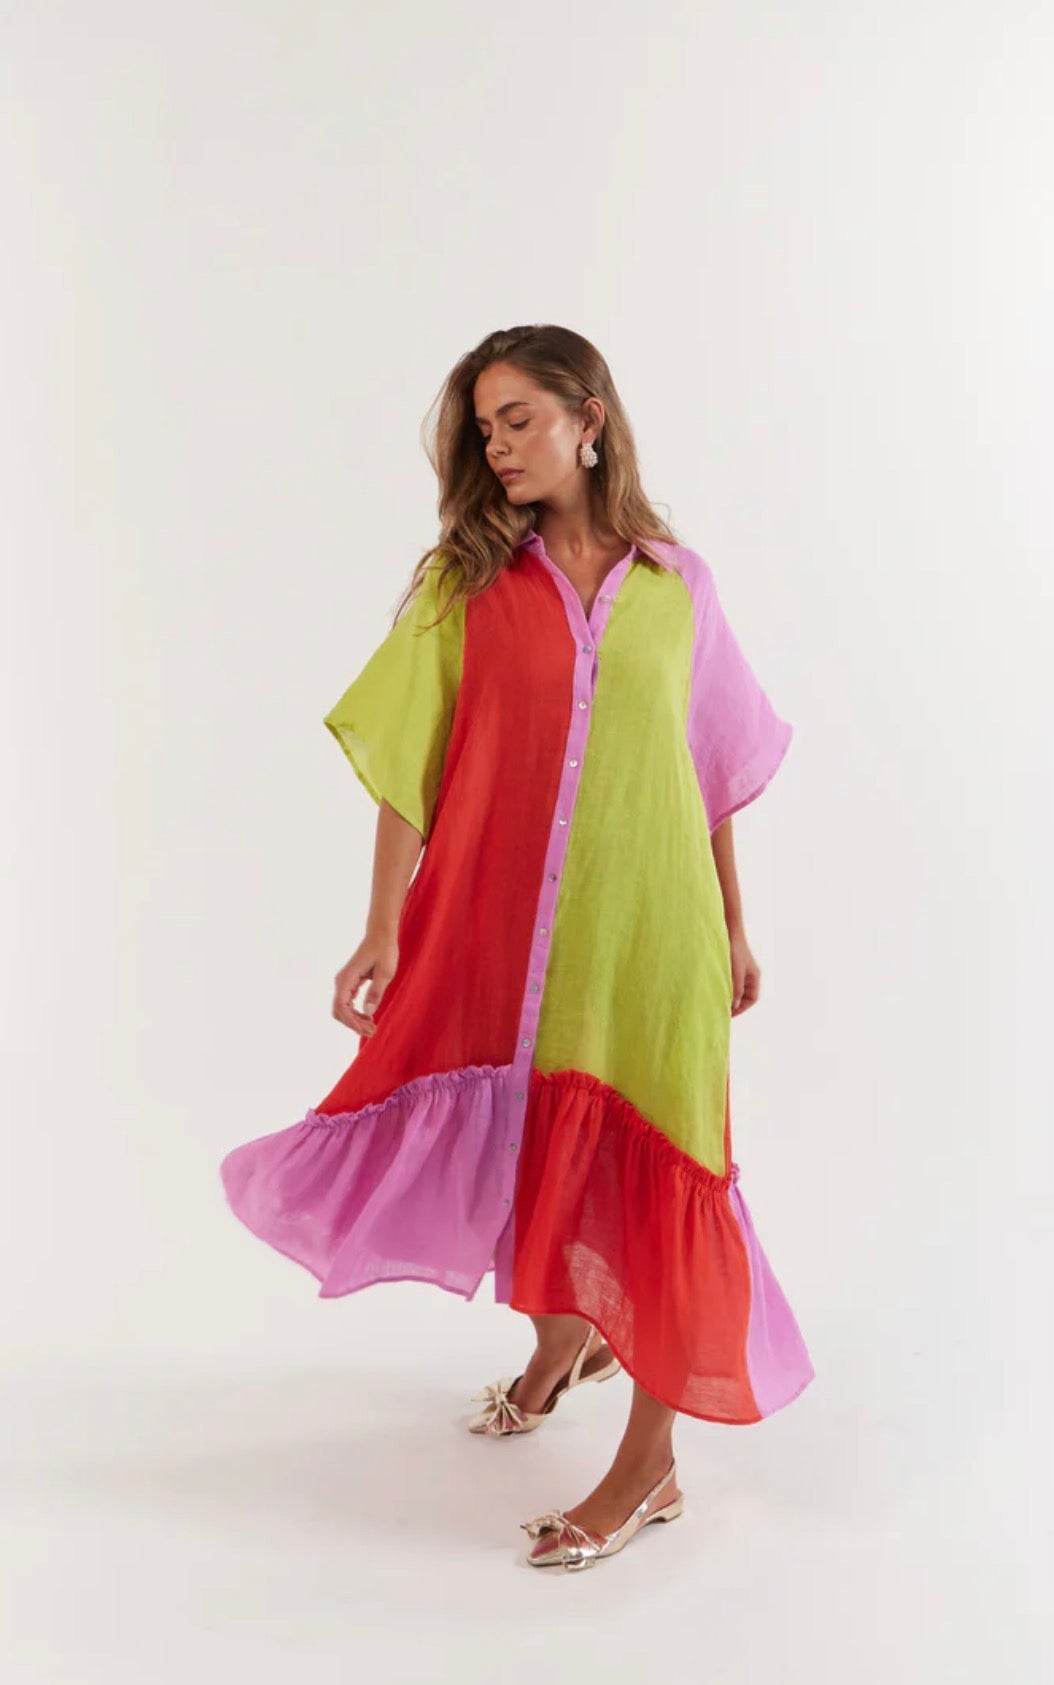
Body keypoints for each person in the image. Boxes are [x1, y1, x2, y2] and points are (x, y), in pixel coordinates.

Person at [219, 323, 815, 1572]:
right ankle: (563, 1342)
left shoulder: (678, 585)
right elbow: (409, 763)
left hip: (652, 937)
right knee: (531, 1133)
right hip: (508, 929)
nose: (494, 447)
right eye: (481, 428)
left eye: (517, 420)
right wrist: (381, 925)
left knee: (663, 1173)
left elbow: (706, 766)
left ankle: (649, 1467)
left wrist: (733, 921)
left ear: (587, 419)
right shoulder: (465, 583)